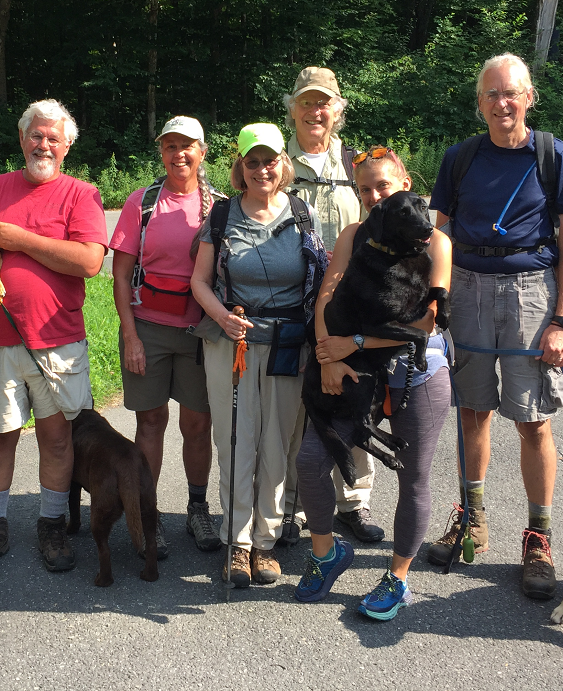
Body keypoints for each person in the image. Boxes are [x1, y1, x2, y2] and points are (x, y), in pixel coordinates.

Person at [426, 53, 563, 600]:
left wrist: (561, 321)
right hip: (467, 289)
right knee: (472, 411)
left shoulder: (555, 156)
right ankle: (472, 518)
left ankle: (538, 537)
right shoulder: (461, 158)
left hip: (530, 295)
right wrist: (438, 296)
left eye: (510, 93)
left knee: (533, 419)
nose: (501, 103)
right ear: (479, 103)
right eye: (491, 94)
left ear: (529, 97)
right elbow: (441, 232)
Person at [292, 147, 452, 620]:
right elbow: (326, 296)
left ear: (404, 182)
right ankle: (326, 552)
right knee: (310, 459)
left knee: (413, 474)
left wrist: (355, 339)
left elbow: (427, 321)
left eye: (383, 185)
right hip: (352, 370)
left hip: (415, 372)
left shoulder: (435, 243)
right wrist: (326, 355)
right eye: (364, 189)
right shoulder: (353, 235)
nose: (374, 195)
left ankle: (398, 578)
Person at [0, 99, 108, 576]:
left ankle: (51, 524)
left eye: (53, 138)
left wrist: (18, 239)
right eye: (35, 135)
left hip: (58, 339)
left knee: (57, 438)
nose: (43, 144)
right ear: (22, 139)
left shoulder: (80, 194)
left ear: (66, 146)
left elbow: (88, 261)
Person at [189, 123, 326, 588]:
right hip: (233, 342)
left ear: (283, 165)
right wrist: (223, 318)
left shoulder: (303, 214)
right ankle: (237, 542)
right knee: (235, 442)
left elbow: (322, 279)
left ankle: (265, 543)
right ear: (239, 168)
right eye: (253, 161)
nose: (262, 169)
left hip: (290, 343)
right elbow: (199, 281)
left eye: (270, 160)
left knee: (277, 443)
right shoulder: (222, 216)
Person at [110, 116, 223, 558]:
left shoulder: (220, 206)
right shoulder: (142, 203)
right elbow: (120, 277)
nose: (179, 154)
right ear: (161, 152)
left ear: (202, 151)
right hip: (149, 330)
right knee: (150, 422)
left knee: (197, 425)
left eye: (187, 146)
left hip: (200, 333)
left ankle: (198, 508)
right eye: (170, 146)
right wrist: (131, 337)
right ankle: (148, 513)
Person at [280, 65, 383, 547]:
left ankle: (354, 504)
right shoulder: (274, 164)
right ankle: (295, 507)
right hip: (289, 308)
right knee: (297, 409)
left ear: (337, 110)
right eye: (306, 102)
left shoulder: (355, 165)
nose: (314, 110)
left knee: (353, 401)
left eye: (323, 102)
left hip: (348, 313)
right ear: (292, 109)